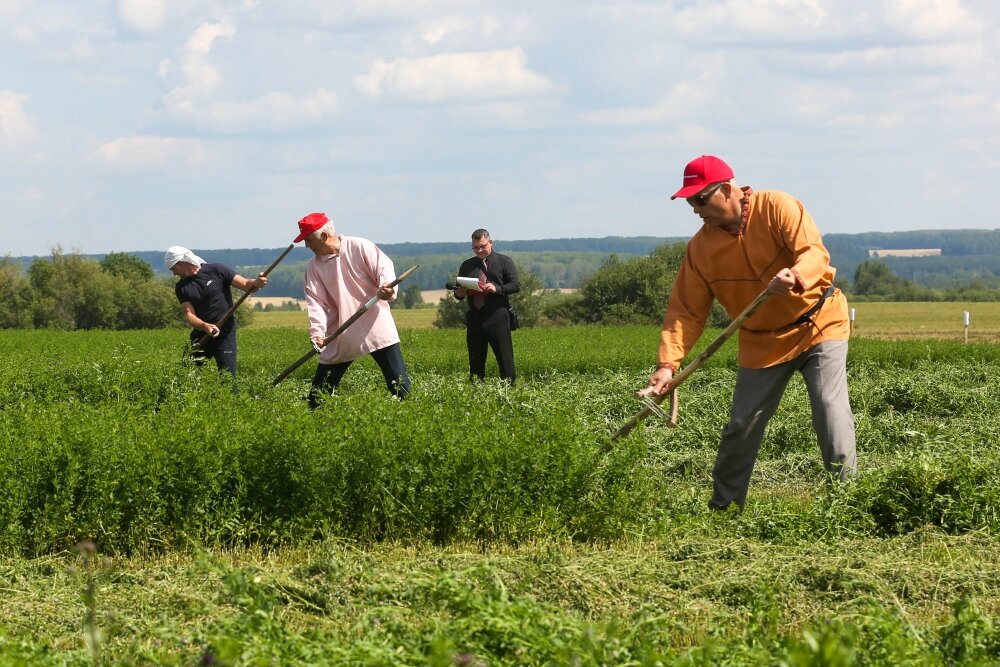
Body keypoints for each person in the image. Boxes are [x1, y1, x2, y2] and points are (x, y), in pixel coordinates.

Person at [640, 155, 856, 510]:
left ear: (726, 190)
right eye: (689, 201)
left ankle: (847, 502)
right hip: (762, 340)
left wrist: (796, 275)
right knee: (741, 425)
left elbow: (813, 252)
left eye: (700, 199)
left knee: (829, 409)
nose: (695, 209)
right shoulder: (700, 250)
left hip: (818, 322)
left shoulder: (777, 207)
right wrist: (668, 364)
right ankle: (724, 509)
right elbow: (686, 311)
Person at [295, 212, 411, 407]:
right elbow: (316, 304)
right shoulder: (313, 268)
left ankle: (411, 422)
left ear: (323, 236)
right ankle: (314, 426)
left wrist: (387, 288)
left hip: (376, 326)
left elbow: (384, 269)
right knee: (318, 398)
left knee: (401, 388)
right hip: (340, 333)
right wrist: (317, 334)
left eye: (308, 240)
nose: (307, 245)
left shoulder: (359, 246)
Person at [165, 246, 267, 376]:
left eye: (173, 268)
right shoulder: (181, 287)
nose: (173, 273)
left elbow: (247, 285)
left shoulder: (217, 270)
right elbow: (189, 315)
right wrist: (205, 326)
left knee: (228, 378)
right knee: (186, 375)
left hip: (225, 333)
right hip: (201, 334)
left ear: (183, 262)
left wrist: (257, 282)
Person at [451, 229, 520, 384]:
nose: (479, 250)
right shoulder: (467, 265)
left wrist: (497, 289)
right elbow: (458, 294)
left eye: (482, 246)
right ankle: (477, 393)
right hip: (475, 318)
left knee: (505, 360)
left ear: (491, 243)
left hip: (498, 316)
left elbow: (516, 285)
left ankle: (510, 390)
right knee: (476, 362)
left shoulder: (504, 261)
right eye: (476, 248)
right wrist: (460, 293)